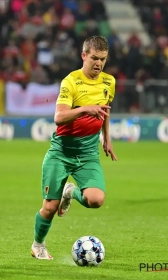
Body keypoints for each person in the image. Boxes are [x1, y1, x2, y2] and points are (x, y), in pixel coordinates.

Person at [31, 36, 117, 260]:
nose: (98, 64)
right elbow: (59, 117)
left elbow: (105, 108)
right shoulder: (71, 82)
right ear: (84, 56)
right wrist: (84, 109)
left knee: (96, 199)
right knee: (49, 208)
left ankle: (71, 192)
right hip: (61, 152)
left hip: (88, 153)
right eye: (94, 58)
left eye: (103, 59)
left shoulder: (109, 82)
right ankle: (38, 244)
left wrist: (107, 137)